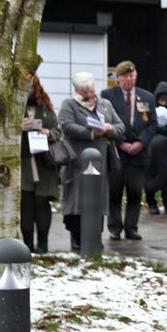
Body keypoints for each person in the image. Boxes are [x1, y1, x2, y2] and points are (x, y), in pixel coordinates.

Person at [58, 72, 125, 251]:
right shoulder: (69, 105)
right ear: (77, 90)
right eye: (85, 91)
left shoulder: (105, 104)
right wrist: (90, 133)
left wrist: (110, 128)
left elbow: (120, 126)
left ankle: (95, 236)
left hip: (100, 160)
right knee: (77, 199)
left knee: (99, 199)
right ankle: (77, 238)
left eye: (91, 90)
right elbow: (66, 125)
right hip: (77, 161)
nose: (90, 94)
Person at [100, 60, 158, 240]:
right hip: (118, 150)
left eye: (132, 76)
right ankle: (115, 227)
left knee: (135, 190)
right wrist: (122, 142)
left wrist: (141, 142)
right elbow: (105, 121)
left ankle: (132, 227)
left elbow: (153, 124)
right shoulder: (107, 95)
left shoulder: (147, 97)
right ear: (118, 78)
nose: (129, 80)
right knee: (115, 191)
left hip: (139, 152)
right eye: (126, 76)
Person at [20, 75, 62, 253]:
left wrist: (47, 132)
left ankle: (43, 243)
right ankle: (27, 244)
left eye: (31, 88)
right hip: (24, 161)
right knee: (26, 203)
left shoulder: (45, 105)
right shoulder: (14, 105)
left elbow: (57, 131)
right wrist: (18, 127)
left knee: (42, 202)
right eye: (26, 88)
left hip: (43, 162)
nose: (28, 91)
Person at [144, 81, 167, 215]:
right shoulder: (149, 109)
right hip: (150, 150)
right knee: (149, 175)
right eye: (161, 98)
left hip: (163, 150)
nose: (164, 100)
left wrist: (163, 141)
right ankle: (151, 203)